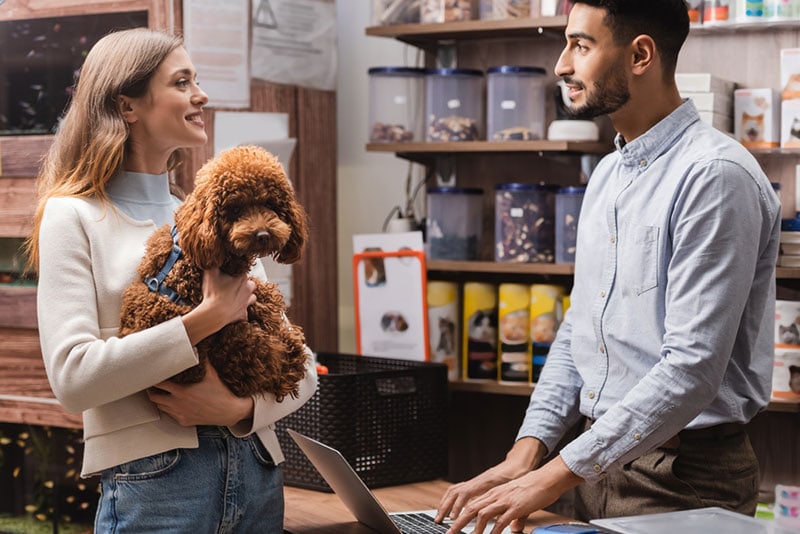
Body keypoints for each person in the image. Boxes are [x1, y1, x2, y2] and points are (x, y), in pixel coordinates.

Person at [436, 1, 780, 532]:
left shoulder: (714, 177)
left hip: (682, 478)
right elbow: (582, 328)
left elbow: (692, 368)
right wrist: (527, 452)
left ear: (640, 54)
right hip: (593, 466)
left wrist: (550, 476)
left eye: (581, 45)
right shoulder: (608, 176)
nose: (561, 65)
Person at [26, 28, 318, 533]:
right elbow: (73, 379)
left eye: (196, 80)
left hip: (257, 469)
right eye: (182, 82)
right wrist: (205, 321)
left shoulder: (213, 216)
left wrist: (239, 408)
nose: (200, 95)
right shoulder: (72, 216)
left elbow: (305, 367)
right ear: (128, 106)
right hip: (157, 482)